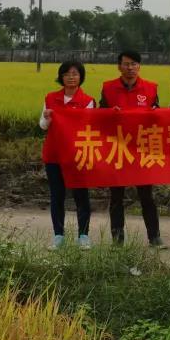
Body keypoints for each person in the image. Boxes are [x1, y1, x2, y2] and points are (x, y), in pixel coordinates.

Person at [99, 50, 162, 246]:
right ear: (119, 66)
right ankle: (117, 239)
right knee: (116, 196)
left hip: (141, 149)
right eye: (126, 64)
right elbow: (99, 115)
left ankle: (154, 236)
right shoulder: (108, 88)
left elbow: (158, 114)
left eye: (134, 64)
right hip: (117, 149)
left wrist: (156, 113)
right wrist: (110, 113)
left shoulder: (150, 88)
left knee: (146, 196)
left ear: (139, 66)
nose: (130, 68)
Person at [40, 60, 95, 250]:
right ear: (61, 77)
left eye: (75, 74)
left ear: (81, 77)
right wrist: (47, 118)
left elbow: (89, 126)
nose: (71, 77)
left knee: (81, 195)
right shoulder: (50, 98)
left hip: (77, 156)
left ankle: (83, 236)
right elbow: (43, 126)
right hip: (54, 154)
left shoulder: (88, 101)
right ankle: (58, 236)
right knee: (57, 196)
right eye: (67, 74)